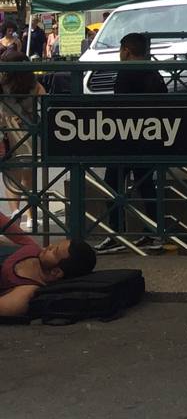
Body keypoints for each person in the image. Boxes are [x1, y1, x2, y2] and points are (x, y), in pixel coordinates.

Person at [99, 31, 166, 254]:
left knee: (112, 183)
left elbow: (121, 107)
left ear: (126, 51)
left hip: (127, 138)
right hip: (150, 136)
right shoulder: (154, 72)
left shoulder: (126, 73)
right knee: (146, 184)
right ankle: (154, 232)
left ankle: (117, 234)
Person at [0, 238, 96, 317]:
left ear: (57, 272)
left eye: (54, 251)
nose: (50, 245)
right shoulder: (39, 252)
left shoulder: (25, 291)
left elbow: (10, 306)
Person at [0, 52, 43, 229]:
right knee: (29, 176)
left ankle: (15, 212)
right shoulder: (34, 85)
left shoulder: (2, 86)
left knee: (11, 176)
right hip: (30, 132)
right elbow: (46, 105)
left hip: (8, 134)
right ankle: (31, 217)